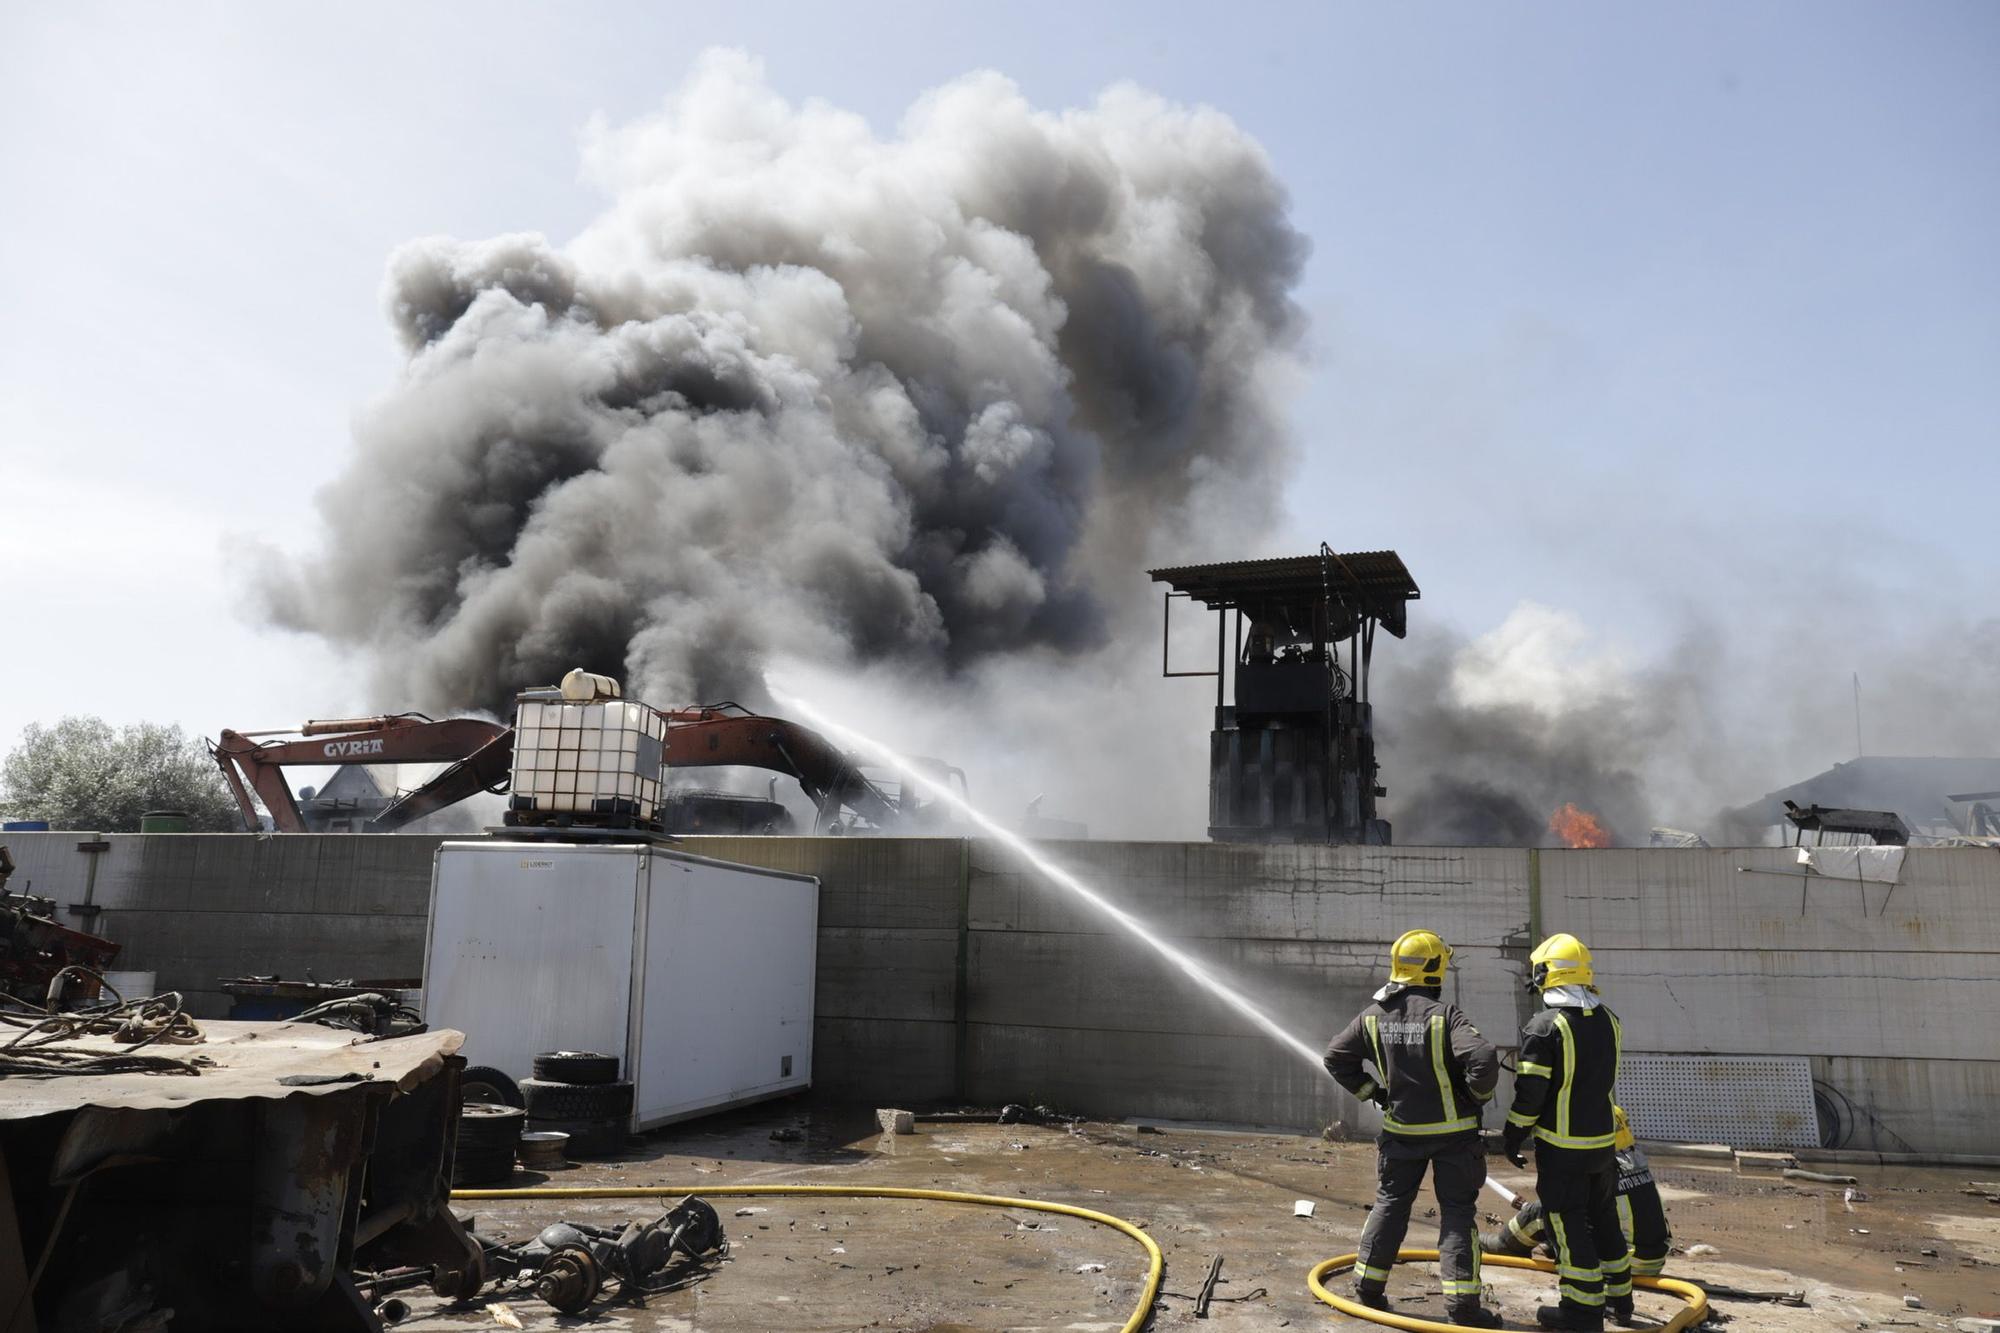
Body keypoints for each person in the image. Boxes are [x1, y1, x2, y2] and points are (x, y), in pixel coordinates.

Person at [1324, 929, 1503, 1328]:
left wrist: (1374, 1093)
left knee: (1390, 1204)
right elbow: (1484, 1057)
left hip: (1401, 1134)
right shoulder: (1445, 1016)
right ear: (1435, 968)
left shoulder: (1373, 1016)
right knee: (1457, 1213)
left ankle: (1368, 1290)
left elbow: (1335, 1057)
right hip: (1454, 1137)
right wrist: (1476, 1096)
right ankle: (1463, 1308)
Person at [1502, 933, 1631, 1331]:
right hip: (1603, 1146)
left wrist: (1512, 1135)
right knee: (1604, 1218)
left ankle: (1581, 1310)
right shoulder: (1610, 1020)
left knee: (1567, 1223)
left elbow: (1531, 1095)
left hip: (1563, 1150)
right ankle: (1620, 1300)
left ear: (1546, 974)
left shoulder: (1545, 1027)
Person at [1482, 1105, 1672, 1318]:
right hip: (1653, 1260)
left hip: (1626, 1261)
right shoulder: (1632, 1159)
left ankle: (1505, 1244)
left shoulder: (1599, 1167)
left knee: (1550, 1210)